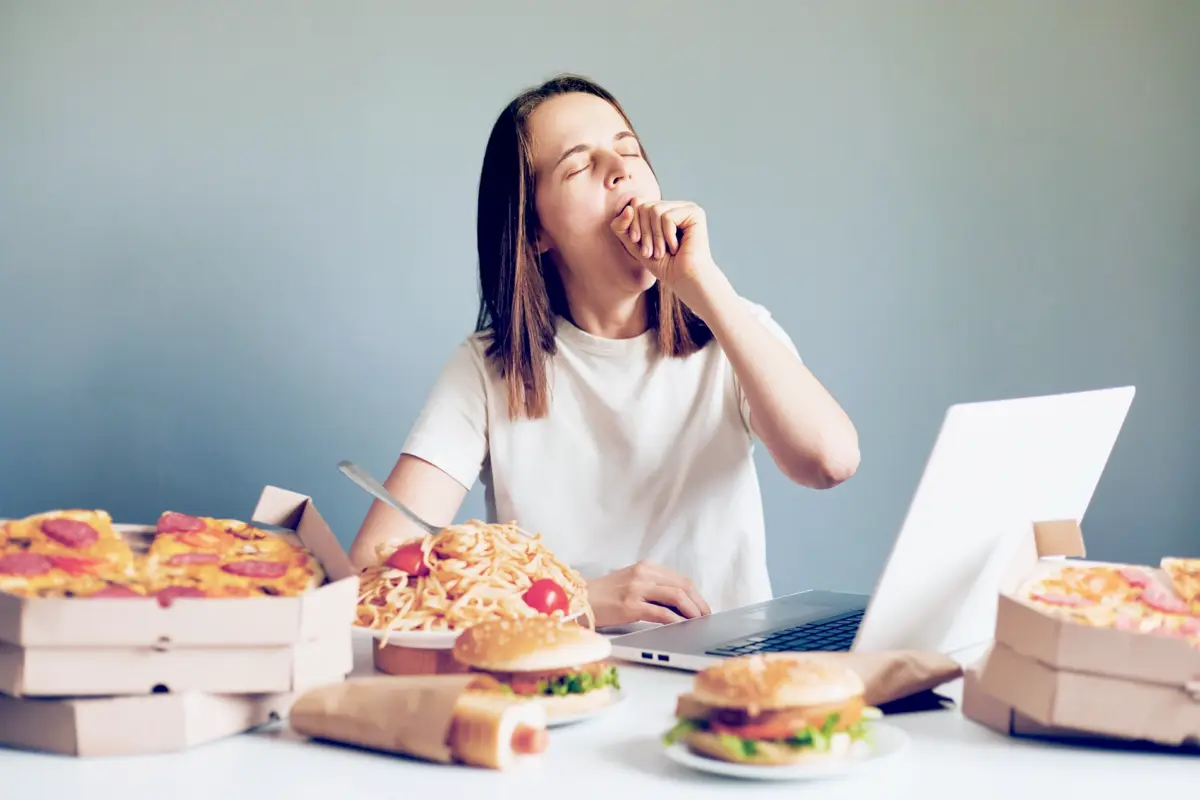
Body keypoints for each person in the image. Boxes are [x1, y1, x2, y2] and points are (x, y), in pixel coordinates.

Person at [349, 73, 859, 628]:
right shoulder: (489, 368)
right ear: (534, 230)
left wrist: (705, 285)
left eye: (628, 151)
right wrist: (573, 597)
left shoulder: (731, 331)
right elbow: (372, 573)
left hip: (726, 680)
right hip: (559, 670)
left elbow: (830, 462)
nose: (619, 170)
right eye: (578, 165)